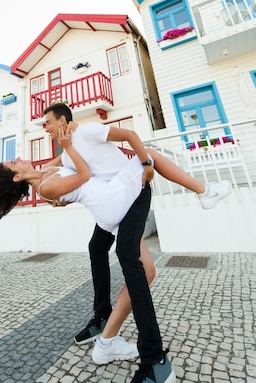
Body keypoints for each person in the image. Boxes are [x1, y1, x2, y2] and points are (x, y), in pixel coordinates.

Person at [0, 124, 177, 383]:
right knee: (128, 260)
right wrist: (65, 152)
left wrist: (64, 151)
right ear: (16, 175)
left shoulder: (50, 165)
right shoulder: (46, 177)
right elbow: (81, 174)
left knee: (126, 259)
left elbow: (65, 169)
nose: (21, 157)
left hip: (113, 197)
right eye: (15, 162)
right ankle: (135, 349)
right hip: (112, 202)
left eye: (49, 122)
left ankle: (110, 332)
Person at [42, 103, 232, 365]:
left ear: (63, 120)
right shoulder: (68, 155)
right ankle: (103, 326)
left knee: (142, 266)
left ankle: (204, 191)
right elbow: (51, 173)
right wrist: (53, 195)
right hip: (116, 203)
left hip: (129, 188)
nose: (46, 129)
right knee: (100, 250)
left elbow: (131, 136)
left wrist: (145, 164)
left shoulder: (86, 132)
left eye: (48, 123)